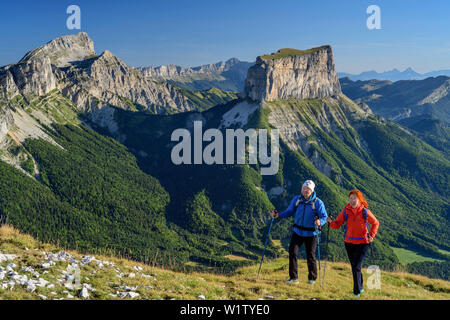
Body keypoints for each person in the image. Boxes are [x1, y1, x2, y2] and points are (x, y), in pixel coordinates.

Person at [272, 180, 328, 284]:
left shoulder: (318, 203)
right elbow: (289, 211)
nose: (305, 190)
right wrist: (278, 215)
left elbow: (324, 217)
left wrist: (320, 221)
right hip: (297, 232)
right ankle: (294, 278)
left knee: (310, 256)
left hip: (312, 234)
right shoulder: (297, 200)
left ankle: (312, 279)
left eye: (308, 189)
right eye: (304, 188)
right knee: (292, 252)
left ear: (312, 190)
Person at [327, 189, 379, 297]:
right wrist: (330, 222)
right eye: (350, 198)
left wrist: (372, 236)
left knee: (356, 265)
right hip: (349, 243)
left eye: (354, 198)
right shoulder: (346, 210)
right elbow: (337, 224)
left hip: (363, 242)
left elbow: (375, 223)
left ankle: (356, 292)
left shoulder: (365, 211)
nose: (352, 200)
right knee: (355, 266)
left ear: (359, 200)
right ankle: (361, 287)